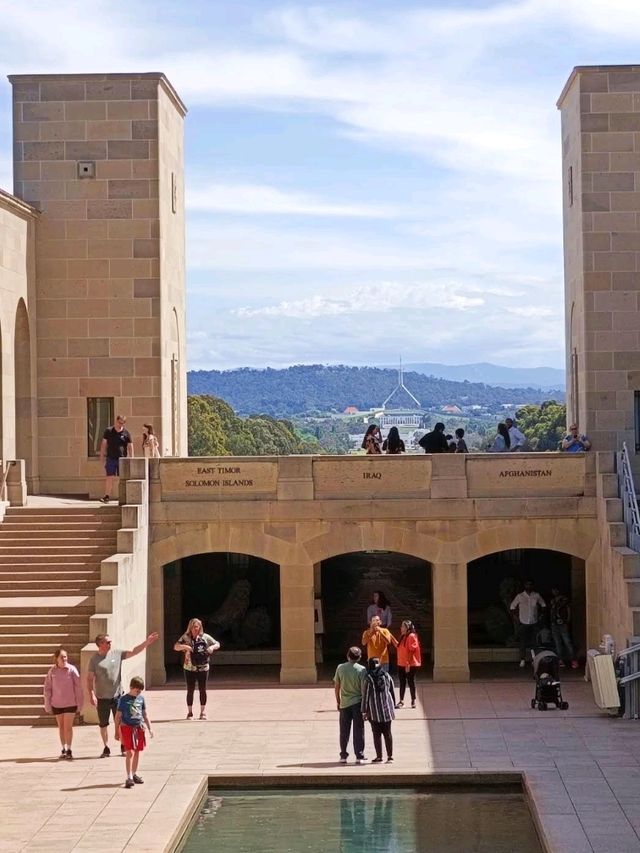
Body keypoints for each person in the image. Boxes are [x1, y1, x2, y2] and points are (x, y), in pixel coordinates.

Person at [86, 631, 159, 757]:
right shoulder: (94, 660)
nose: (110, 644)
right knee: (103, 723)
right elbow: (89, 678)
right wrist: (91, 694)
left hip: (117, 696)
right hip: (102, 697)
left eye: (110, 642)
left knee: (120, 722)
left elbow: (134, 651)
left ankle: (123, 746)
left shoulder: (117, 654)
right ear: (100, 644)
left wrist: (147, 642)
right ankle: (106, 747)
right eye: (108, 642)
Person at [174, 618, 220, 720]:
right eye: (193, 627)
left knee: (202, 689)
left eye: (196, 627)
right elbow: (176, 647)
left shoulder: (205, 637)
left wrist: (212, 648)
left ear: (200, 627)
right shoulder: (186, 637)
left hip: (203, 667)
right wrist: (185, 647)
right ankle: (190, 713)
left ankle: (202, 712)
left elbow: (217, 643)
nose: (195, 629)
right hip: (189, 667)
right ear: (189, 628)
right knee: (190, 690)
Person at [43, 647, 83, 760]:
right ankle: (63, 748)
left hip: (70, 703)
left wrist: (79, 703)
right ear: (56, 659)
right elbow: (47, 688)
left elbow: (78, 687)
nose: (64, 658)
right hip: (57, 703)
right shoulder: (52, 671)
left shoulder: (72, 669)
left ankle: (69, 749)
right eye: (62, 657)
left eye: (65, 656)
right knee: (61, 727)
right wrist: (47, 703)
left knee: (68, 727)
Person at [115, 676, 153, 789]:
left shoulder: (141, 699)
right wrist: (116, 731)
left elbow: (144, 715)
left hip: (138, 727)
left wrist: (150, 728)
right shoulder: (123, 699)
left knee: (137, 751)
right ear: (131, 687)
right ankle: (129, 776)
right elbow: (118, 716)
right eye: (137, 690)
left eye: (140, 691)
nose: (138, 693)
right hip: (127, 727)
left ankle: (134, 773)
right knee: (129, 752)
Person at [334, 646, 367, 765]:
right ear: (359, 657)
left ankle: (343, 755)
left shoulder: (340, 668)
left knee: (344, 731)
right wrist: (365, 705)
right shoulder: (362, 670)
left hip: (344, 703)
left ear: (348, 656)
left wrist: (338, 701)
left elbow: (337, 686)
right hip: (358, 703)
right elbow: (363, 689)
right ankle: (359, 755)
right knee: (359, 730)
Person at [362, 657, 396, 763]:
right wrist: (393, 706)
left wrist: (364, 710)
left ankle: (379, 757)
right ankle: (390, 757)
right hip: (387, 710)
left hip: (374, 711)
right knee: (388, 733)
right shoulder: (386, 675)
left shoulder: (368, 678)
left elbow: (366, 695)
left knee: (376, 734)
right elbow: (392, 690)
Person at [510, 579, 546, 668]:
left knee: (534, 642)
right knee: (523, 642)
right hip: (523, 622)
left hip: (534, 622)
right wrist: (516, 617)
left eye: (530, 584)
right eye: (527, 585)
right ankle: (522, 660)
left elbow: (543, 605)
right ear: (524, 586)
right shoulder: (520, 596)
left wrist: (541, 615)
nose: (528, 586)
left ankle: (534, 659)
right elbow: (512, 606)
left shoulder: (536, 595)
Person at [100, 414, 133, 503]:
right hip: (111, 458)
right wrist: (102, 456)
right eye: (119, 422)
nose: (120, 425)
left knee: (122, 478)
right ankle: (106, 496)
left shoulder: (126, 433)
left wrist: (131, 458)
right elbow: (104, 444)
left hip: (122, 459)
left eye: (122, 423)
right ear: (116, 421)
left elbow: (130, 446)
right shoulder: (109, 431)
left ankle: (123, 496)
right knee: (109, 477)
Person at [550, 586, 578, 669]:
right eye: (553, 590)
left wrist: (567, 621)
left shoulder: (564, 600)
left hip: (562, 623)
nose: (554, 592)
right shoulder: (552, 601)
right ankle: (560, 660)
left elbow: (569, 611)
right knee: (557, 643)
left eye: (555, 590)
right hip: (554, 624)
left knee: (567, 642)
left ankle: (573, 660)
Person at [395, 620, 421, 709]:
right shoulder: (403, 636)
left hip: (410, 664)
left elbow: (411, 651)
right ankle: (401, 701)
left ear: (407, 628)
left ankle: (413, 700)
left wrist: (408, 664)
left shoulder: (411, 636)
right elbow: (399, 647)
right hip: (401, 663)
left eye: (403, 626)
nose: (401, 628)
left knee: (410, 681)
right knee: (402, 682)